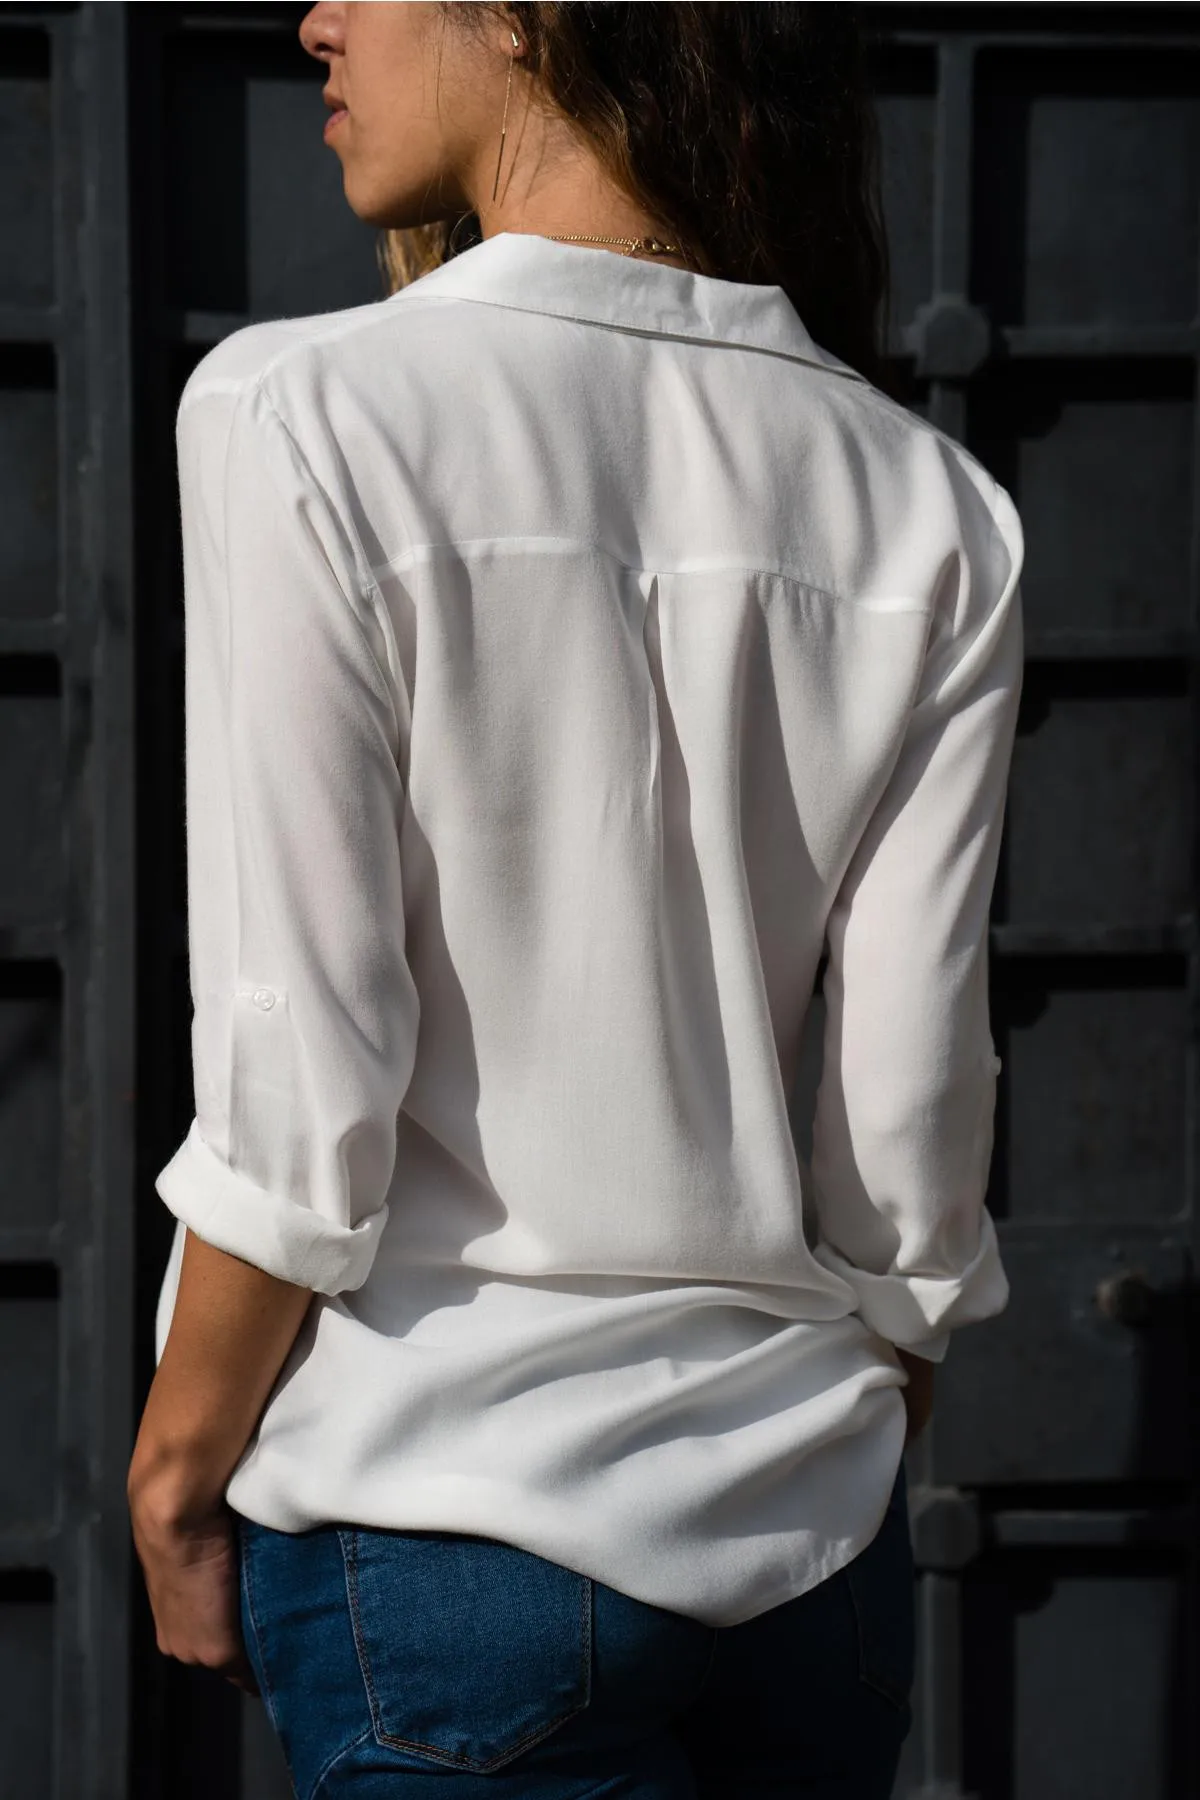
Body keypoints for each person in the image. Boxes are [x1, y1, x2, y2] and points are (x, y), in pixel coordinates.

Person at [127, 4, 1023, 1796]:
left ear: (526, 15)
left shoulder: (304, 412)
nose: (316, 19)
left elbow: (305, 1084)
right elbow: (910, 1122)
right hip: (811, 1561)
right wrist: (847, 1417)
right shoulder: (930, 502)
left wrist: (173, 1470)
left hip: (449, 1524)